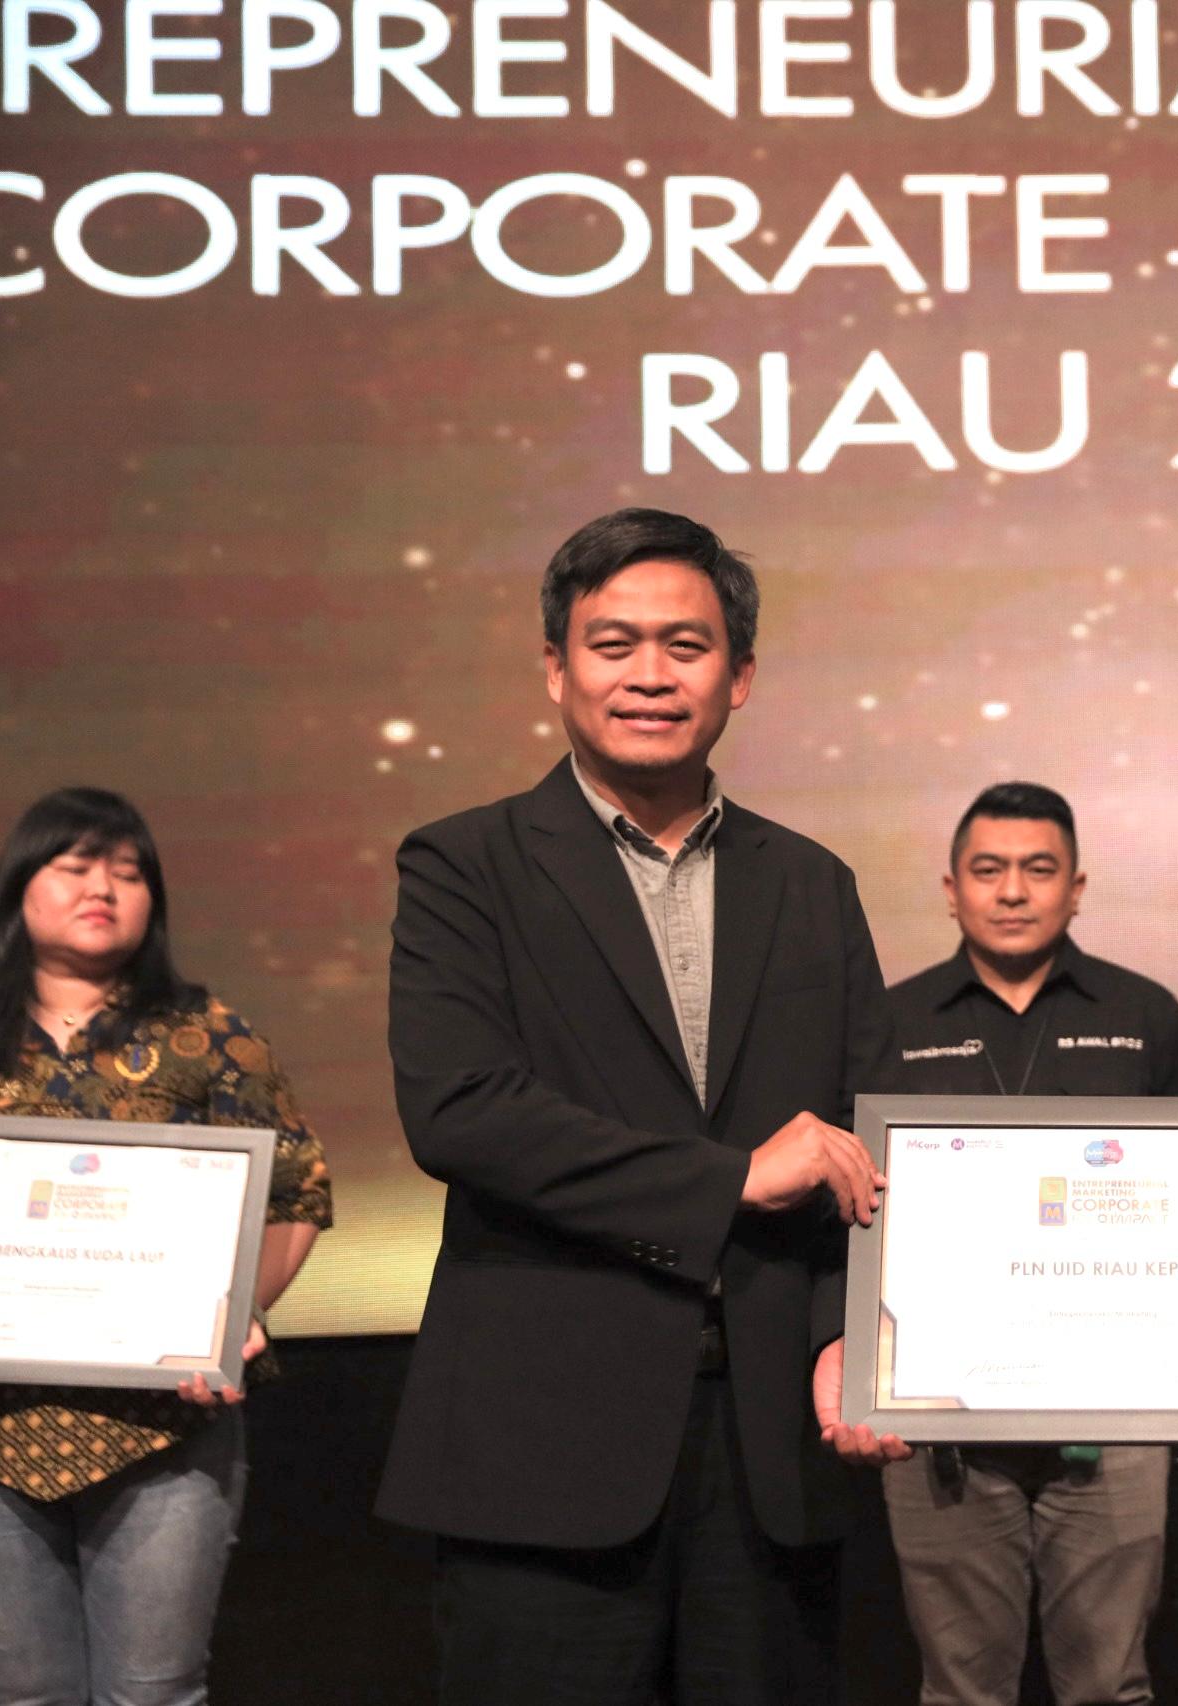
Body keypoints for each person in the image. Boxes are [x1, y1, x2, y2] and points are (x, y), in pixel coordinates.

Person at [376, 508, 902, 1706]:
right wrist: (730, 1178)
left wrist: (843, 1335)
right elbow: (460, 1108)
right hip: (542, 1443)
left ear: (740, 675)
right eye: (613, 644)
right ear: (556, 668)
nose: (650, 674)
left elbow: (866, 1135)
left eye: (686, 644)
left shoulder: (812, 882)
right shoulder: (464, 865)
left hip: (775, 1442)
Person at [0, 786, 334, 1706]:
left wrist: (235, 1315)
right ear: (19, 885)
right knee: (18, 1694)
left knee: (155, 1692)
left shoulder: (210, 1036)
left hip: (165, 1431)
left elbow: (296, 1189)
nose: (104, 887)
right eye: (76, 866)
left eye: (129, 872)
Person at [880, 781, 1178, 1706]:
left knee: (1110, 1685)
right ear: (952, 890)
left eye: (1038, 869)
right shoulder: (890, 1023)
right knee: (959, 1691)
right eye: (989, 870)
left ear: (1076, 887)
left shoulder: (1143, 1014)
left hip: (1114, 1412)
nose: (1013, 891)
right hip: (938, 1411)